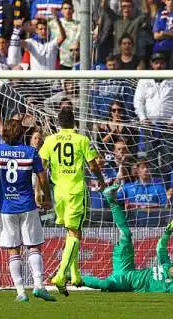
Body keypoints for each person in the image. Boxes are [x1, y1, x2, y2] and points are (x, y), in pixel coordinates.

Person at [0, 119, 55, 302]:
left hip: (7, 208)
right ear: (22, 134)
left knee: (13, 249)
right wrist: (48, 199)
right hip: (28, 206)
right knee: (33, 246)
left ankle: (20, 292)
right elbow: (43, 179)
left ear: (4, 134)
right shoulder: (31, 152)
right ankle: (39, 285)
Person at [76, 184, 173, 293]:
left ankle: (72, 277)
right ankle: (111, 199)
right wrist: (169, 229)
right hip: (126, 267)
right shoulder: (167, 265)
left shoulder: (171, 285)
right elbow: (160, 247)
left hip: (124, 284)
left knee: (106, 284)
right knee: (126, 235)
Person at [39, 107, 107, 295]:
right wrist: (101, 181)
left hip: (58, 192)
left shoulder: (50, 140)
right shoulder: (81, 139)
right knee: (75, 233)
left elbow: (41, 168)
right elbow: (93, 165)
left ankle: (74, 274)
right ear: (74, 122)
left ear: (58, 123)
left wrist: (39, 190)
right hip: (76, 191)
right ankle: (61, 275)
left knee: (70, 232)